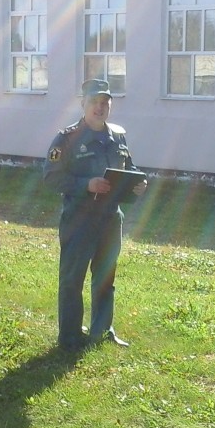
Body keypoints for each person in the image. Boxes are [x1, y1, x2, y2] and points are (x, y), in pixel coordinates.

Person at [44, 79, 147, 351]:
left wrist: (138, 183)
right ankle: (69, 337)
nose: (100, 107)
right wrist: (85, 185)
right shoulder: (66, 138)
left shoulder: (117, 136)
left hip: (110, 218)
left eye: (105, 103)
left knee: (105, 277)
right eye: (94, 102)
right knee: (72, 279)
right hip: (79, 219)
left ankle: (102, 329)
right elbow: (51, 177)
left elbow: (129, 167)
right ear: (83, 104)